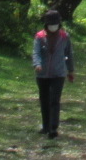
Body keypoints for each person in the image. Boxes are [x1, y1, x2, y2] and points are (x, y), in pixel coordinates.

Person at [32, 8, 75, 139]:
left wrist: (70, 70)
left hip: (59, 74)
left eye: (55, 24)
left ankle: (53, 128)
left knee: (54, 100)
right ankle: (45, 126)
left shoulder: (64, 37)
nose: (53, 27)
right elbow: (36, 52)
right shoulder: (39, 37)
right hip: (42, 75)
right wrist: (37, 64)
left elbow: (69, 54)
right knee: (44, 100)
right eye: (51, 24)